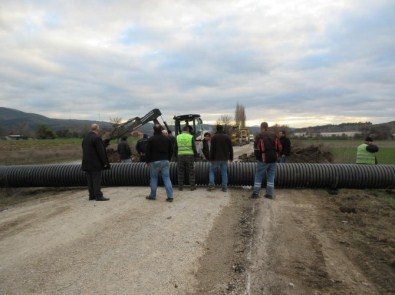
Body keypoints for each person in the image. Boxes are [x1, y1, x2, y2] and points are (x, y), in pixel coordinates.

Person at [251, 122, 282, 199]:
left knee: (258, 175)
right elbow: (280, 147)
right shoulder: (274, 136)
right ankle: (269, 194)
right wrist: (277, 155)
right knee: (271, 176)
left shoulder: (259, 136)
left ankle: (256, 193)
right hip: (273, 159)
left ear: (262, 128)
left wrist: (258, 158)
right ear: (267, 127)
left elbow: (256, 149)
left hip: (263, 159)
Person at [81, 123, 110, 201]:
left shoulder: (85, 138)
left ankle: (91, 195)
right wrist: (105, 163)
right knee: (96, 180)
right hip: (95, 164)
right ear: (97, 129)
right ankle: (98, 196)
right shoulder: (97, 138)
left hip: (86, 163)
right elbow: (101, 152)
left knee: (89, 181)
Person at [145, 124, 174, 202]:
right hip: (165, 161)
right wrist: (168, 159)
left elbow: (148, 151)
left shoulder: (151, 139)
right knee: (167, 178)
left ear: (154, 130)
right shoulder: (167, 139)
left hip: (154, 162)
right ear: (161, 130)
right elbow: (171, 150)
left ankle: (152, 195)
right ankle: (170, 197)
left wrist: (147, 161)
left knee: (154, 178)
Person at [208, 125, 233, 192]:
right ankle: (224, 187)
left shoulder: (214, 137)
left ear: (216, 129)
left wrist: (210, 158)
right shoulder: (227, 137)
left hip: (216, 158)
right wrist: (231, 157)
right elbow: (231, 148)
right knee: (224, 172)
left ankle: (211, 185)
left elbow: (212, 149)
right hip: (225, 158)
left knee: (212, 171)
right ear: (222, 129)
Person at [175, 126, 198, 191]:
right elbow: (194, 147)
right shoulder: (190, 137)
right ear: (188, 130)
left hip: (180, 156)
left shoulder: (177, 137)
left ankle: (180, 187)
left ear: (182, 130)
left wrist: (175, 156)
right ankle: (192, 187)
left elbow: (175, 148)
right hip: (189, 155)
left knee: (180, 171)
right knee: (191, 171)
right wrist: (196, 156)